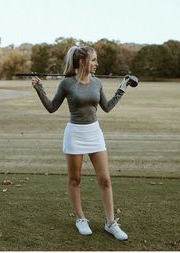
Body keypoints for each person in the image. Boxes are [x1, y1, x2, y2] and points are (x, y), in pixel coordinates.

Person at [31, 46, 130, 240]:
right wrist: (39, 88)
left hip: (94, 133)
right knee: (75, 180)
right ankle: (80, 218)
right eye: (94, 60)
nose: (96, 63)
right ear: (83, 62)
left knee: (105, 180)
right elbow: (52, 107)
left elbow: (107, 107)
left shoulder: (97, 82)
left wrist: (122, 88)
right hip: (74, 134)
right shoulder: (67, 84)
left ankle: (110, 223)